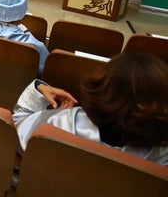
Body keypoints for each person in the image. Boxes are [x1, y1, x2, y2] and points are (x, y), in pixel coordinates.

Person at [13, 52, 168, 165]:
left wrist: (39, 88)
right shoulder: (162, 158)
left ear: (103, 87)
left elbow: (15, 132)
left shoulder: (62, 122)